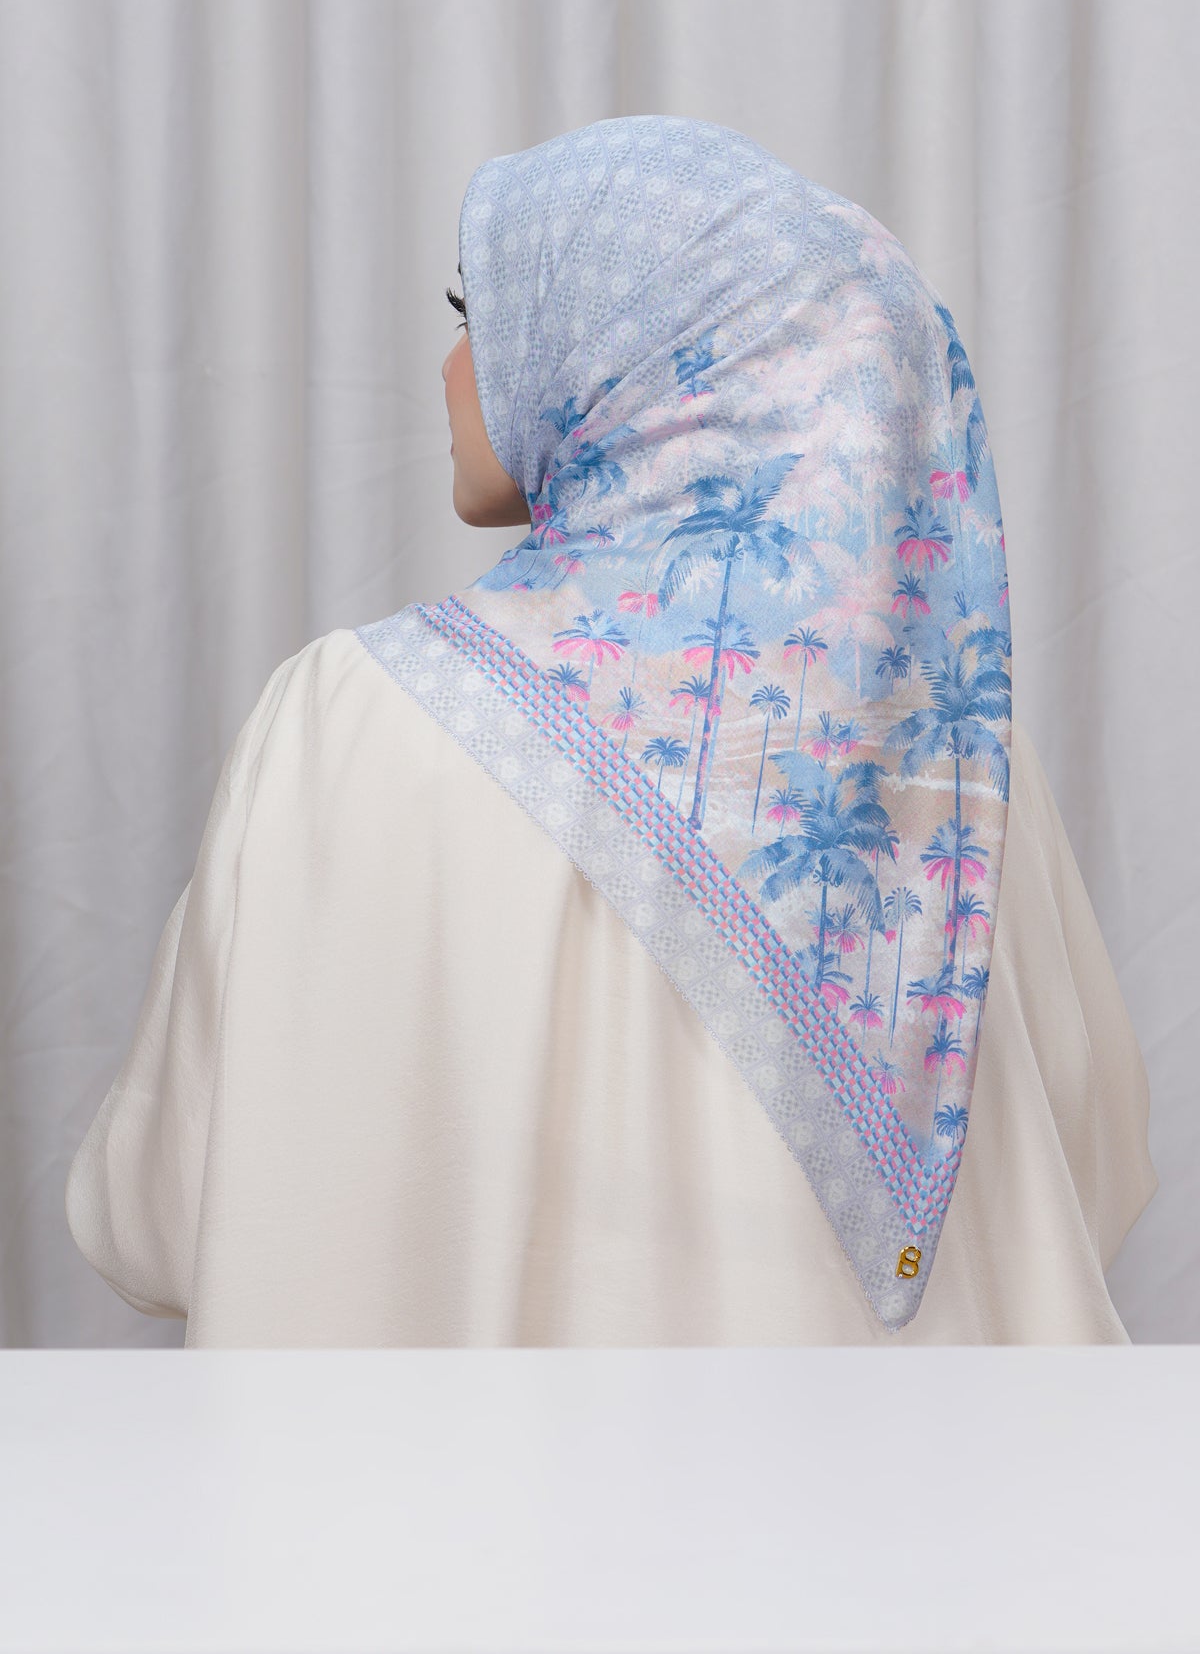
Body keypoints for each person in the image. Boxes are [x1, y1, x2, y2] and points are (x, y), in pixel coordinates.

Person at [66, 115, 1157, 1346]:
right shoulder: (945, 771)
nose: (451, 367)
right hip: (897, 1473)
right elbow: (1096, 1173)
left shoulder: (345, 723)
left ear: (632, 362)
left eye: (477, 314)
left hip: (428, 1474)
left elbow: (155, 1210)